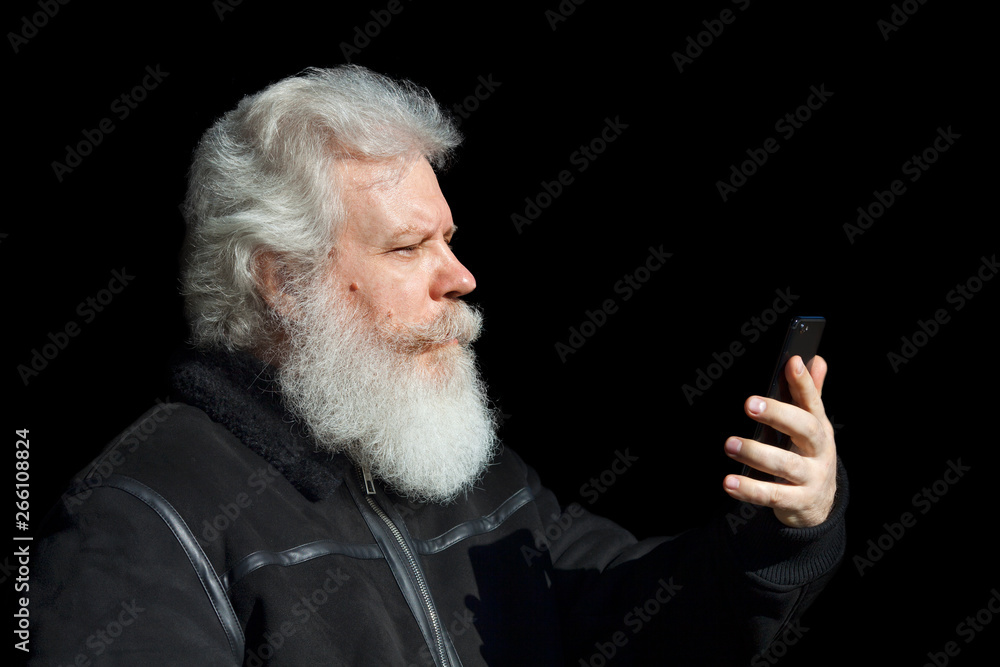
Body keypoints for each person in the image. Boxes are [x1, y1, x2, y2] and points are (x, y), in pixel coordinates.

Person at [31, 65, 847, 666]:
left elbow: (628, 614)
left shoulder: (455, 461)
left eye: (448, 238)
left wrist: (779, 528)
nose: (459, 276)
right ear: (284, 281)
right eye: (407, 246)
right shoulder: (143, 510)